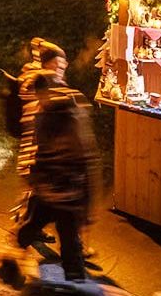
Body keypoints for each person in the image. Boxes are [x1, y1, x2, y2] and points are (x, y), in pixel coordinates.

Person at [14, 42, 99, 282]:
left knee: (64, 237)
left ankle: (76, 286)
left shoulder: (66, 114)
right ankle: (14, 262)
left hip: (64, 192)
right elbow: (41, 149)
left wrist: (87, 203)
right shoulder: (46, 111)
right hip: (56, 192)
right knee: (37, 228)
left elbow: (84, 157)